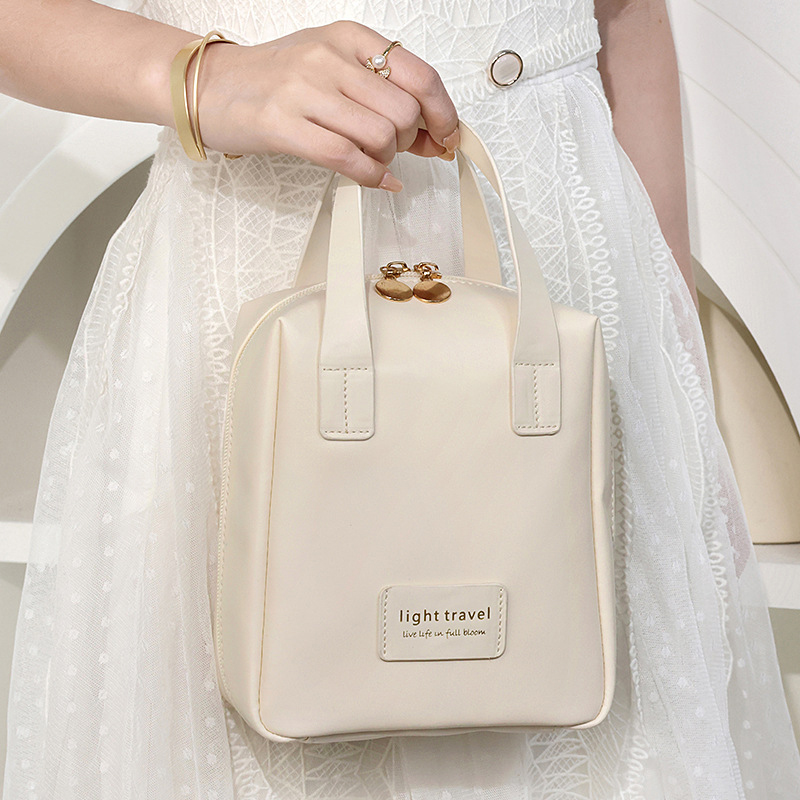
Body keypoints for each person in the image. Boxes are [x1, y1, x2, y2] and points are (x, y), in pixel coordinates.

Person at [1, 0, 799, 797]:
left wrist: (679, 377)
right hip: (261, 254)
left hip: (562, 258)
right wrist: (209, 77)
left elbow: (624, 17)